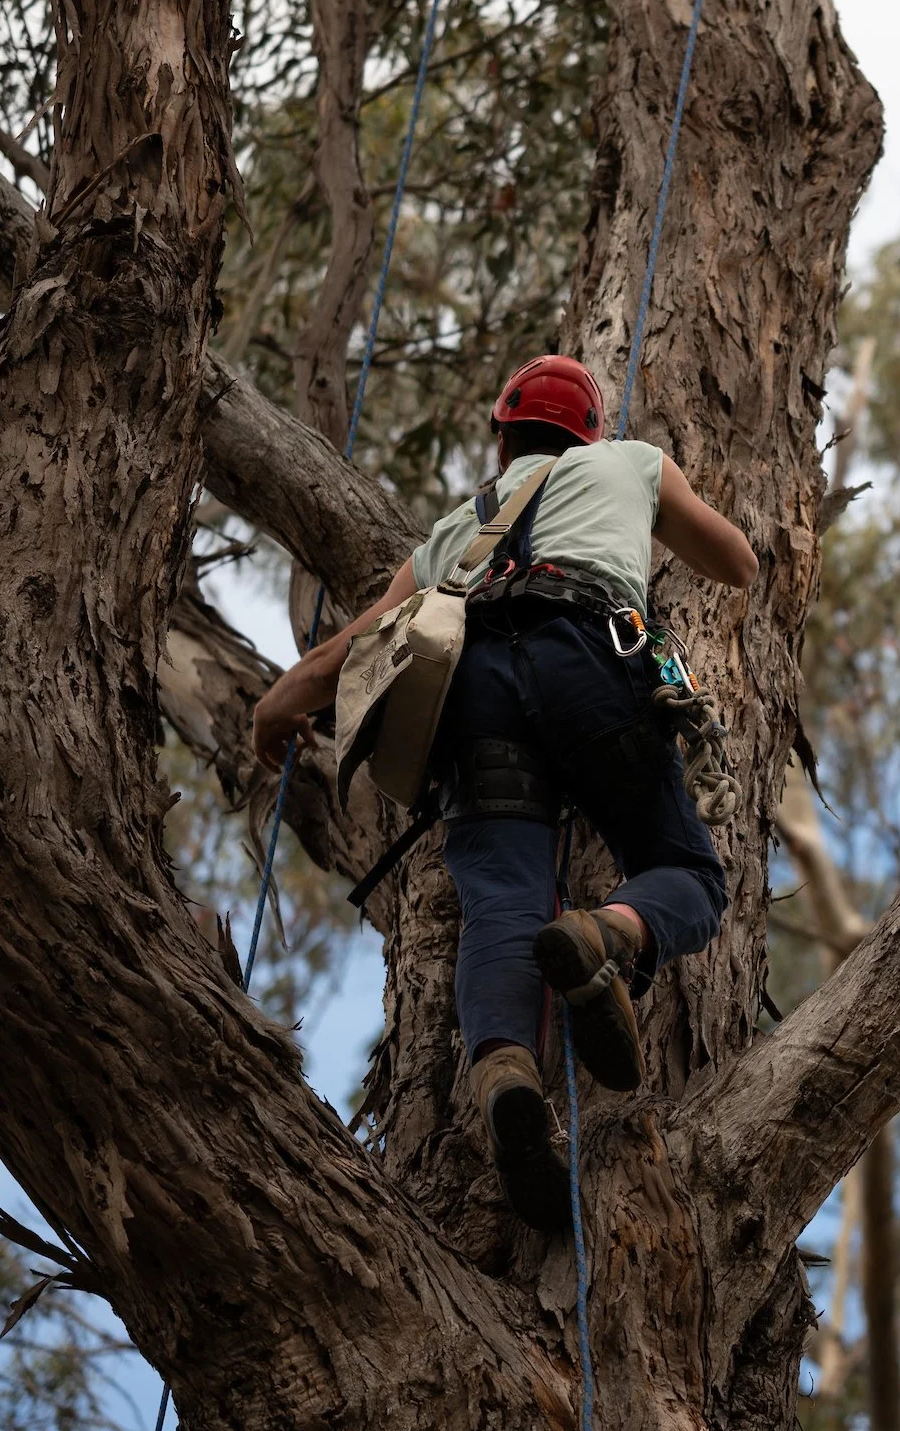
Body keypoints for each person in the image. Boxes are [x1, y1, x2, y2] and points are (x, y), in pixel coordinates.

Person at [249, 354, 757, 1229]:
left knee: (502, 904)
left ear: (503, 433)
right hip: (592, 658)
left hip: (473, 687)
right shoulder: (630, 460)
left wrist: (280, 700)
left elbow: (360, 641)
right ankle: (608, 932)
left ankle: (505, 1074)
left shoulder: (461, 523)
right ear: (589, 429)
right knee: (687, 871)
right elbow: (738, 562)